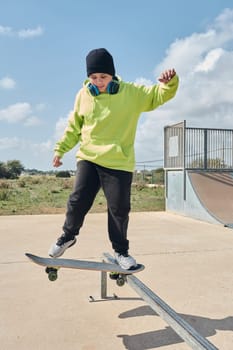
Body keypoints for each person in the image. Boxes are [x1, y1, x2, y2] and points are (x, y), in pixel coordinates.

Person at [48, 48, 179, 269]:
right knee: (78, 199)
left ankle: (121, 252)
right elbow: (74, 126)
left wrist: (170, 83)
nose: (98, 82)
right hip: (89, 157)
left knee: (119, 208)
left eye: (103, 77)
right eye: (93, 77)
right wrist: (60, 150)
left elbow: (158, 95)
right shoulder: (83, 95)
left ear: (113, 75)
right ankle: (67, 236)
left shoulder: (131, 93)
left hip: (119, 161)